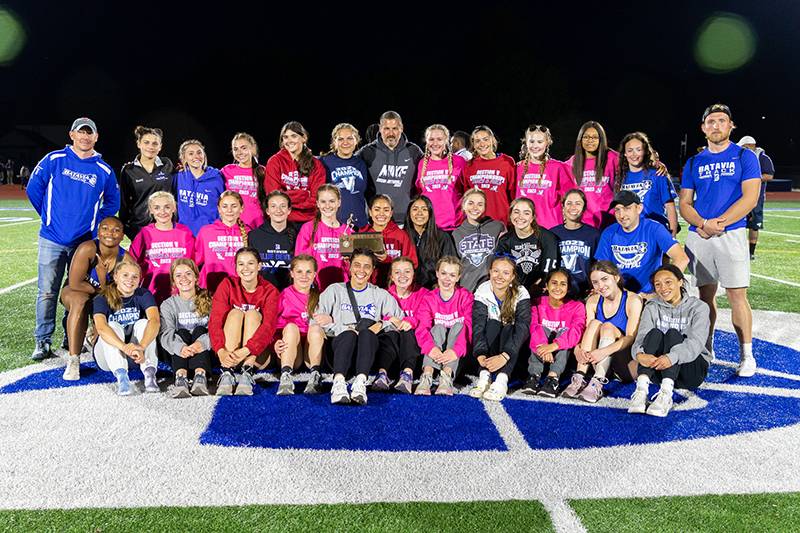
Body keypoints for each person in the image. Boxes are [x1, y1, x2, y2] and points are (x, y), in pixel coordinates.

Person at [27, 117, 121, 361]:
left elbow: (113, 203)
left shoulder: (104, 170)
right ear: (72, 135)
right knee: (47, 291)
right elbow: (33, 188)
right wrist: (49, 218)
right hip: (52, 238)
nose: (85, 137)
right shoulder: (54, 159)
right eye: (81, 132)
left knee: (78, 290)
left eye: (90, 133)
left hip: (84, 243)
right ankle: (43, 340)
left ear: (96, 138)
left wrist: (95, 225)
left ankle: (72, 336)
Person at [679, 103, 761, 376]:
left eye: (721, 121)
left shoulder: (744, 157)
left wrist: (718, 223)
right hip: (700, 234)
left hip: (732, 233)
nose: (716, 125)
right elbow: (685, 203)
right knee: (704, 295)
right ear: (703, 128)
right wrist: (703, 224)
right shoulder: (693, 161)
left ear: (731, 126)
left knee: (737, 294)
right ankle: (706, 346)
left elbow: (749, 198)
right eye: (710, 121)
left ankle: (746, 354)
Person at [316, 249, 404, 405]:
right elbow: (316, 321)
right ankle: (339, 384)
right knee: (349, 335)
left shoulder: (380, 294)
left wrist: (381, 324)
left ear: (372, 270)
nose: (361, 270)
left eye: (367, 266)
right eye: (357, 265)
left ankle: (360, 384)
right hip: (339, 351)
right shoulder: (335, 290)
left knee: (367, 334)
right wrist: (344, 328)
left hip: (365, 353)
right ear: (349, 267)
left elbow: (400, 319)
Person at [628, 265, 712, 417]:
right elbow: (641, 337)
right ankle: (641, 391)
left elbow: (696, 343)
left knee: (673, 334)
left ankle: (666, 395)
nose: (663, 288)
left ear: (680, 282)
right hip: (658, 370)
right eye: (658, 284)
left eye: (668, 282)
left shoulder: (699, 307)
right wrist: (639, 355)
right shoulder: (652, 307)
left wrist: (671, 357)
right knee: (654, 333)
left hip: (690, 372)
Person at [562, 261, 643, 403]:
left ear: (616, 278)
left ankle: (597, 383)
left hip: (626, 364)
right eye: (595, 282)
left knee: (607, 327)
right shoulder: (593, 301)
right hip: (598, 360)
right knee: (594, 324)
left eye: (605, 279)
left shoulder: (632, 299)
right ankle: (580, 376)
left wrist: (604, 351)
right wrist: (578, 349)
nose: (601, 286)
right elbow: (588, 333)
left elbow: (631, 337)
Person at [60, 216, 127, 381]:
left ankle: (92, 334)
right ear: (98, 231)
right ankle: (74, 359)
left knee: (102, 354)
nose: (109, 233)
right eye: (105, 228)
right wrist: (103, 287)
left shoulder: (125, 258)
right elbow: (75, 283)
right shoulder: (88, 248)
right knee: (80, 301)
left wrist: (103, 285)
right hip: (75, 291)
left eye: (116, 230)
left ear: (123, 235)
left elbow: (125, 290)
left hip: (101, 297)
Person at [208, 247, 279, 396]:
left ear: (259, 266)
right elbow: (215, 321)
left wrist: (246, 350)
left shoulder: (270, 290)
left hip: (256, 355)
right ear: (235, 267)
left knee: (253, 314)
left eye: (250, 263)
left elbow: (269, 327)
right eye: (241, 264)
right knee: (235, 313)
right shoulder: (227, 285)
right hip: (230, 354)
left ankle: (247, 372)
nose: (245, 268)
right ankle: (227, 372)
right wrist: (221, 351)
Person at [595, 191, 688, 296]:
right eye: (617, 210)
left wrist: (662, 289)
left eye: (627, 208)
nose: (621, 215)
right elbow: (602, 269)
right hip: (620, 295)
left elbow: (682, 259)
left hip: (649, 294)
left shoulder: (654, 228)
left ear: (639, 208)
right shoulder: (609, 232)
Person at [92, 260, 160, 396]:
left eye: (135, 276)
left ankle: (149, 373)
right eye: (125, 275)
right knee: (111, 326)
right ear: (116, 277)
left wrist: (142, 346)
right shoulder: (102, 298)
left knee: (143, 323)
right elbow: (101, 328)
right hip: (108, 358)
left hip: (137, 356)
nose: (130, 280)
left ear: (140, 280)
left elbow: (155, 321)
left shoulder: (143, 294)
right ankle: (122, 377)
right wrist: (124, 347)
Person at [469, 255, 532, 401]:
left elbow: (523, 328)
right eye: (496, 271)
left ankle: (502, 380)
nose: (499, 276)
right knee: (492, 323)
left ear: (512, 277)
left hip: (513, 352)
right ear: (490, 272)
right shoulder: (483, 289)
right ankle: (484, 376)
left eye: (506, 272)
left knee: (510, 327)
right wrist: (480, 353)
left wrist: (505, 355)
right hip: (490, 347)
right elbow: (478, 324)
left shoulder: (521, 292)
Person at [520, 269, 586, 398]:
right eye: (554, 283)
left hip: (562, 355)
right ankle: (534, 376)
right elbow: (533, 327)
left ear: (568, 287)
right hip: (539, 351)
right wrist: (544, 346)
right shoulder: (536, 303)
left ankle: (553, 379)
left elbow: (576, 331)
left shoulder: (577, 306)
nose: (558, 288)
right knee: (540, 328)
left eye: (563, 284)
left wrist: (554, 346)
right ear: (546, 285)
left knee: (565, 331)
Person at [414, 256, 473, 395]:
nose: (447, 279)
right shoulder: (429, 298)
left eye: (452, 275)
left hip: (457, 354)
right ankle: (427, 376)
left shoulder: (465, 297)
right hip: (436, 351)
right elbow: (422, 327)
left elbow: (470, 326)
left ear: (458, 277)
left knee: (459, 326)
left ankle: (446, 378)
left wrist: (455, 351)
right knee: (438, 327)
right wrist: (431, 348)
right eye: (444, 273)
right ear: (437, 273)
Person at [357, 110, 424, 225]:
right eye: (386, 129)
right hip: (377, 221)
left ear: (401, 128)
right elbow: (348, 164)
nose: (391, 133)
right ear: (380, 129)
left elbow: (431, 167)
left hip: (407, 220)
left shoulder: (413, 151)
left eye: (395, 128)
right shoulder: (368, 152)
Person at [159, 259, 213, 398]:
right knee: (181, 332)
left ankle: (200, 376)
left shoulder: (209, 300)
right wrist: (180, 347)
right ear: (173, 281)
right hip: (179, 353)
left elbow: (216, 330)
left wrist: (202, 343)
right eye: (178, 275)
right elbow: (166, 333)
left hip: (204, 351)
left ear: (196, 277)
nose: (184, 278)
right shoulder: (168, 304)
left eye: (188, 273)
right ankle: (180, 377)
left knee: (200, 330)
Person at [128, 192, 195, 303]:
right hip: (151, 292)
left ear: (173, 208)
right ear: (151, 210)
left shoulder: (184, 232)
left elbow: (193, 263)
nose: (162, 212)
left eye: (167, 207)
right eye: (157, 208)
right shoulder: (145, 233)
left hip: (180, 292)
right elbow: (132, 261)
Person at [273, 255, 326, 396]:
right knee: (291, 327)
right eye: (299, 271)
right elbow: (272, 325)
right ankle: (286, 376)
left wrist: (329, 319)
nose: (304, 276)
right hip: (291, 351)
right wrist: (275, 341)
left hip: (312, 351)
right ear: (291, 273)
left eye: (309, 272)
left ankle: (315, 375)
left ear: (315, 274)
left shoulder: (321, 296)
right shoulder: (283, 295)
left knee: (315, 328)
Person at [118, 125, 175, 240]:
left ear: (160, 147)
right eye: (146, 142)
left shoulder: (167, 165)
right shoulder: (128, 170)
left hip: (165, 225)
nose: (150, 147)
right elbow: (124, 202)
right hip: (139, 228)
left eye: (155, 143)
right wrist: (125, 226)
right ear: (139, 144)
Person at [616, 132, 678, 235]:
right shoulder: (620, 178)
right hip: (630, 235)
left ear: (645, 151)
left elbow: (670, 208)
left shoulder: (658, 175)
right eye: (630, 150)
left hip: (655, 233)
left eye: (638, 150)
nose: (634, 154)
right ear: (625, 154)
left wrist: (672, 236)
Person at [265, 121, 326, 224]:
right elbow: (273, 196)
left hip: (310, 221)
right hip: (283, 221)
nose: (289, 141)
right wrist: (304, 194)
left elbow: (317, 198)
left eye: (294, 136)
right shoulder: (274, 162)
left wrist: (287, 197)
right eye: (285, 137)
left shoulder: (316, 164)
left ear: (304, 138)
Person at [495, 197, 559, 294]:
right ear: (511, 215)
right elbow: (501, 269)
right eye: (516, 212)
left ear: (532, 217)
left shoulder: (547, 237)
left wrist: (540, 285)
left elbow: (550, 269)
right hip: (513, 291)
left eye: (526, 213)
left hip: (542, 291)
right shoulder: (505, 240)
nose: (520, 217)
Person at [294, 185, 352, 290]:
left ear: (339, 202)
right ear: (317, 204)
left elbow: (352, 267)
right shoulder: (308, 228)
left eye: (332, 201)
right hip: (316, 288)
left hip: (342, 288)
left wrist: (349, 262)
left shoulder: (347, 231)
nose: (328, 205)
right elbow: (299, 261)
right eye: (323, 201)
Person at [515, 125, 573, 229]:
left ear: (547, 143)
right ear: (526, 143)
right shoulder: (517, 168)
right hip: (523, 229)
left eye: (540, 142)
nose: (535, 146)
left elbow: (571, 197)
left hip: (551, 229)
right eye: (532, 141)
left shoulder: (558, 168)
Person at [384, 257, 428, 393]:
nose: (402, 276)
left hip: (413, 353)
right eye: (397, 272)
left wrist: (411, 321)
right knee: (391, 331)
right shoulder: (384, 294)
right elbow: (378, 316)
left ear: (413, 274)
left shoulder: (424, 294)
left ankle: (407, 376)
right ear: (391, 276)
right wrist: (390, 318)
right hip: (391, 353)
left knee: (408, 331)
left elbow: (425, 318)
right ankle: (382, 374)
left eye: (407, 272)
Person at [564, 121, 619, 229]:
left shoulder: (613, 158)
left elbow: (635, 160)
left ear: (601, 139)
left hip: (610, 222)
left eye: (595, 137)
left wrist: (653, 161)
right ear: (580, 139)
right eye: (586, 137)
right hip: (582, 225)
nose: (590, 140)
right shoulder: (572, 163)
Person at [194, 191, 249, 293]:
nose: (229, 210)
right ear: (219, 209)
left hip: (239, 290)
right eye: (224, 206)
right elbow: (196, 260)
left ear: (241, 208)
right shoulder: (206, 232)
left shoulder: (249, 232)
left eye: (234, 206)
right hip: (210, 288)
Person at [452, 188, 505, 291]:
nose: (475, 208)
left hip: (492, 290)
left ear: (485, 207)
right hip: (467, 289)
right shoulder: (456, 234)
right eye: (471, 203)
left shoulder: (497, 227)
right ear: (463, 205)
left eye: (480, 204)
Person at [460, 125, 516, 224]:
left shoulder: (507, 162)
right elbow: (466, 197)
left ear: (492, 140)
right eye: (477, 141)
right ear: (473, 144)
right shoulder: (469, 166)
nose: (482, 144)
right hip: (478, 222)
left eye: (485, 139)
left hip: (502, 222)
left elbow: (514, 195)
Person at [416, 123, 466, 232]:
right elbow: (420, 192)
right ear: (426, 141)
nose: (435, 143)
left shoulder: (459, 161)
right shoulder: (421, 164)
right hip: (429, 226)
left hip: (455, 226)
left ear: (446, 141)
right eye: (431, 139)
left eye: (439, 139)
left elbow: (466, 189)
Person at [320, 123, 371, 229]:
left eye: (350, 138)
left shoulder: (361, 163)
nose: (345, 142)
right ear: (334, 142)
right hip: (334, 225)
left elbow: (364, 192)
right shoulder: (324, 162)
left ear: (356, 140)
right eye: (340, 139)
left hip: (359, 224)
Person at [360, 194, 418, 287]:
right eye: (377, 209)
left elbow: (412, 263)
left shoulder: (401, 235)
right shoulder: (362, 235)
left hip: (394, 288)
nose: (381, 214)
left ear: (391, 213)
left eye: (386, 210)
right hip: (368, 287)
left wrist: (388, 260)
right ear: (370, 212)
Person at [550, 189, 600, 298]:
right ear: (562, 207)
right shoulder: (552, 233)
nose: (573, 207)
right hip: (557, 292)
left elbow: (598, 265)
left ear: (584, 208)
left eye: (578, 203)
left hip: (584, 293)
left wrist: (596, 286)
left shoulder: (594, 234)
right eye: (569, 203)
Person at [403, 194, 457, 289]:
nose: (419, 213)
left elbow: (451, 263)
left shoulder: (442, 237)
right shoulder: (402, 236)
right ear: (409, 213)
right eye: (415, 209)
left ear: (430, 213)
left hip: (434, 289)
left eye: (424, 209)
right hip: (408, 288)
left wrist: (440, 284)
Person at [174, 139, 224, 236]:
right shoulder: (179, 177)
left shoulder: (216, 178)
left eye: (199, 152)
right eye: (191, 153)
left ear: (204, 155)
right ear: (184, 158)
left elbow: (223, 204)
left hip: (210, 233)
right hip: (185, 234)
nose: (196, 156)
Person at [736, 135, 775, 260]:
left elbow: (769, 175)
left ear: (749, 146)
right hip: (739, 196)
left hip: (756, 197)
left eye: (743, 147)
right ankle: (738, 249)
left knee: (754, 225)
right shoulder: (740, 157)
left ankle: (751, 252)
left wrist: (751, 179)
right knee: (736, 222)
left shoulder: (762, 157)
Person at [248, 190, 296, 291]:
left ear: (289, 210)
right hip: (262, 292)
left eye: (283, 206)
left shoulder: (298, 234)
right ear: (267, 211)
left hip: (289, 293)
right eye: (273, 206)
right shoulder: (254, 235)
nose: (278, 210)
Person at [222, 132, 265, 229]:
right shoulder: (227, 170)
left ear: (253, 149)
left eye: (244, 148)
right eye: (235, 149)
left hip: (257, 225)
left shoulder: (263, 171)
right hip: (234, 225)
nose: (239, 152)